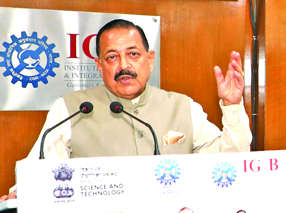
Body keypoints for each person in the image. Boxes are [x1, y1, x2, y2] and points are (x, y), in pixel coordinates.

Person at [1, 18, 251, 199]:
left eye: (133, 54)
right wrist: (21, 195)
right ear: (99, 65)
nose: (124, 66)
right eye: (112, 57)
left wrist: (231, 105)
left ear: (149, 59)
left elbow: (229, 161)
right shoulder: (70, 109)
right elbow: (39, 172)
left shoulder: (183, 107)